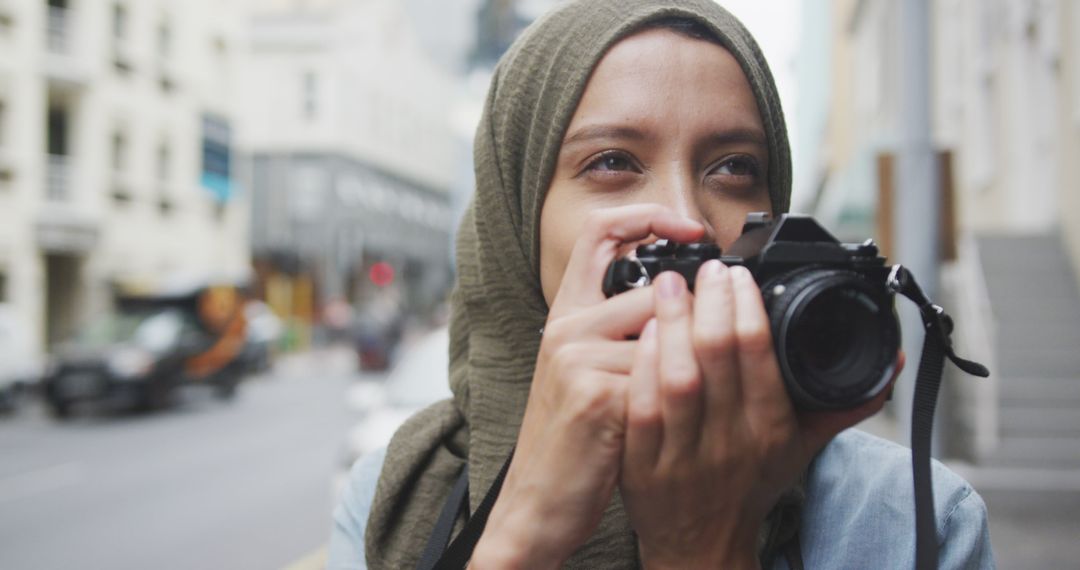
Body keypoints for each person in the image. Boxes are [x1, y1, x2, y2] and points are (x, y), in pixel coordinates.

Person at [328, 1, 995, 568]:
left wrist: (704, 546)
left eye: (734, 167)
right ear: (517, 215)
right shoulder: (392, 497)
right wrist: (519, 530)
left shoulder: (907, 525)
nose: (684, 220)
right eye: (612, 162)